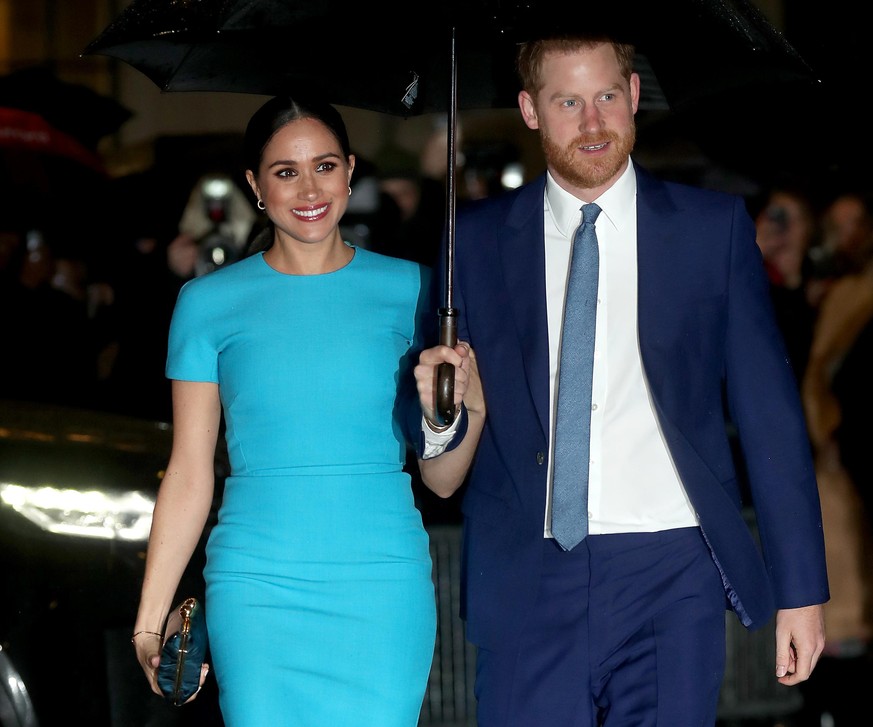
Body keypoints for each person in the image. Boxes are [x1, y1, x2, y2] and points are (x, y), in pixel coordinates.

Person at [413, 35, 829, 726]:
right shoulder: (475, 241)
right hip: (526, 572)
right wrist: (438, 411)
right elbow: (444, 445)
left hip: (673, 569)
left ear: (634, 96)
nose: (592, 122)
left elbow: (768, 416)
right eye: (567, 102)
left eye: (606, 96)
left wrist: (801, 589)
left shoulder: (710, 228)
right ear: (529, 110)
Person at [130, 95, 448, 727]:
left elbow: (443, 470)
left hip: (382, 584)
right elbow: (191, 471)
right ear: (254, 184)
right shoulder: (205, 303)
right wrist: (149, 622)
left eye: (325, 166)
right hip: (257, 587)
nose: (309, 187)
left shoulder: (417, 290)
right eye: (285, 171)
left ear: (351, 171)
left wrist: (458, 408)